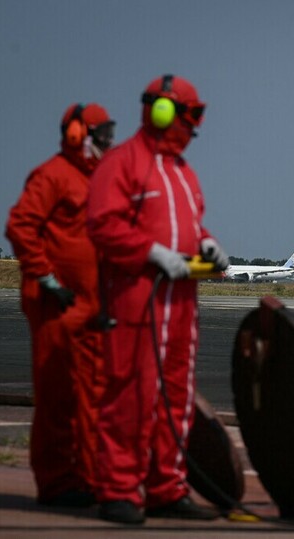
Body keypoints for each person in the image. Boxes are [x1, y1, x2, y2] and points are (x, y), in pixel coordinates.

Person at [86, 74, 229, 524]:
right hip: (138, 298)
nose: (193, 127)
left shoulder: (183, 172)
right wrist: (150, 253)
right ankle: (120, 491)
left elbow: (192, 223)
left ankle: (167, 487)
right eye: (190, 116)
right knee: (131, 393)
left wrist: (205, 242)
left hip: (182, 302)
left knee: (177, 395)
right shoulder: (123, 163)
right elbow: (104, 225)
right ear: (164, 112)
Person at [5, 103, 116, 507]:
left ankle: (84, 478)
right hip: (54, 303)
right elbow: (20, 226)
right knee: (57, 396)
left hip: (86, 304)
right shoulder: (53, 175)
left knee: (88, 394)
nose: (108, 141)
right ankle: (56, 484)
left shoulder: (96, 180)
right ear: (76, 135)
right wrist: (45, 276)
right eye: (101, 134)